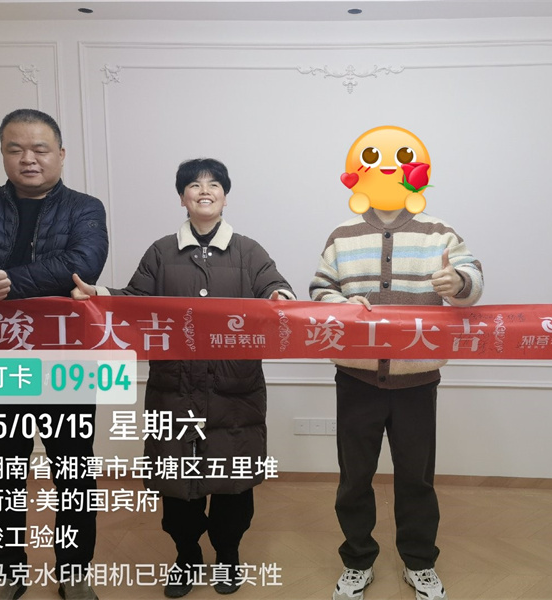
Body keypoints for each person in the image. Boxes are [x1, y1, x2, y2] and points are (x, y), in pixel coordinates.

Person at [72, 158, 295, 598]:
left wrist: (279, 295)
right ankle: (187, 556)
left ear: (225, 197)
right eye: (194, 185)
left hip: (235, 391)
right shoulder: (160, 252)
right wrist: (100, 294)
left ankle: (228, 556)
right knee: (177, 486)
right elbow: (134, 301)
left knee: (233, 484)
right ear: (182, 198)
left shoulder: (249, 251)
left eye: (214, 185)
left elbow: (274, 287)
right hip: (174, 390)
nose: (204, 190)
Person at [0, 109, 109, 600]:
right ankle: (10, 572)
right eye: (15, 149)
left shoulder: (86, 207)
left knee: (73, 474)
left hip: (66, 361)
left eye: (39, 149)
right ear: (2, 154)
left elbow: (82, 263)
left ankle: (73, 572)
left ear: (61, 154)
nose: (28, 158)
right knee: (2, 475)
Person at [310, 165, 483, 599]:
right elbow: (319, 289)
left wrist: (458, 282)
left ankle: (419, 563)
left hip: (417, 380)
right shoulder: (342, 235)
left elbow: (472, 282)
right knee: (354, 478)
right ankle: (357, 561)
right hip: (356, 378)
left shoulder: (439, 233)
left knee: (416, 479)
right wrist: (340, 303)